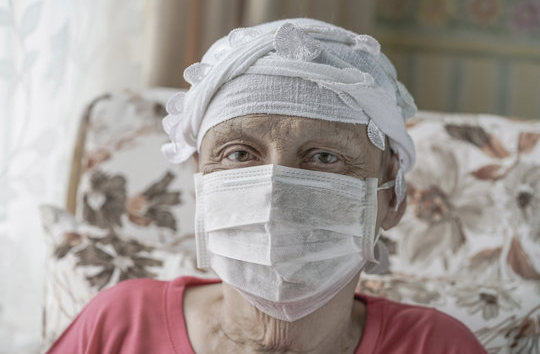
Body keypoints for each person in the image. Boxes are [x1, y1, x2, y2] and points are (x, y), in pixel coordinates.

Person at [47, 18, 486, 353]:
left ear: (392, 196)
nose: (275, 189)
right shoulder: (119, 325)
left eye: (325, 157)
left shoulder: (437, 344)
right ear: (202, 181)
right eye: (239, 153)